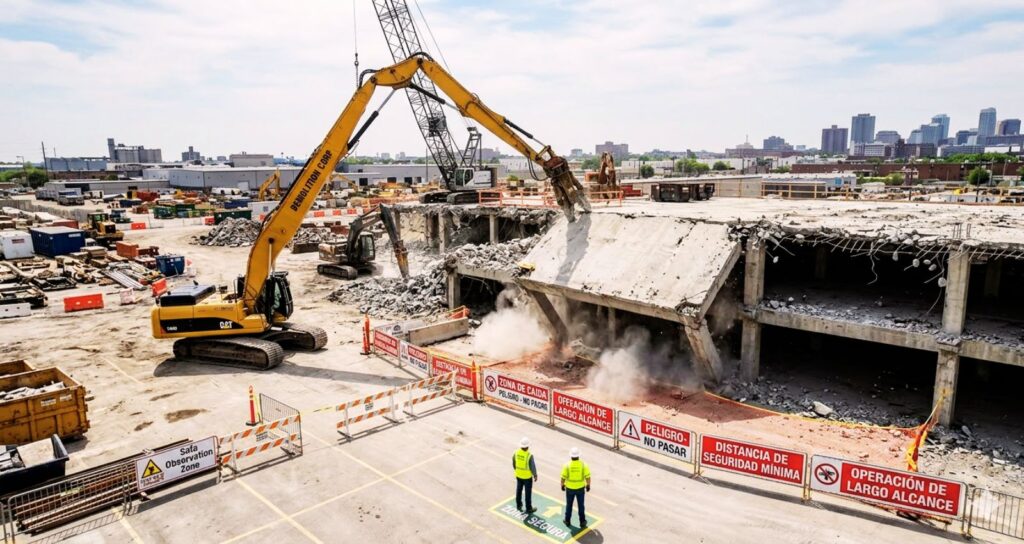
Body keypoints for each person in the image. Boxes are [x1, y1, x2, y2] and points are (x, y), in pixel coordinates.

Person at [560, 447, 591, 529]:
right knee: (581, 506)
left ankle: (567, 520)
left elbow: (563, 477)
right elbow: (588, 477)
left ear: (571, 456)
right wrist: (588, 485)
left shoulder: (567, 465)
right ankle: (582, 522)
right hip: (580, 489)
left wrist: (562, 485)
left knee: (569, 505)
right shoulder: (583, 465)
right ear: (578, 456)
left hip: (569, 489)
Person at [513, 437, 538, 513]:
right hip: (527, 478)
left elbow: (514, 464)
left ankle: (518, 504)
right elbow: (532, 466)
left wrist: (517, 470)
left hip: (518, 475)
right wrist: (535, 475)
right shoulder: (529, 455)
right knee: (528, 493)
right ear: (527, 446)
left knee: (518, 490)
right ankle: (528, 508)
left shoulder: (516, 453)